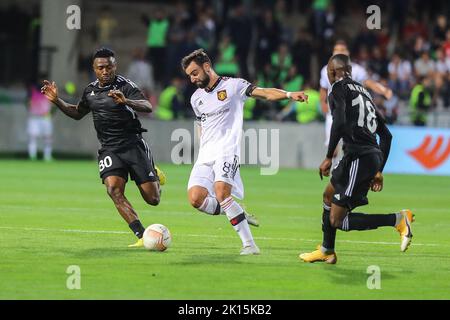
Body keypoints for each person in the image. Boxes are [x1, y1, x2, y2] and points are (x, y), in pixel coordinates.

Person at [181, 49, 308, 255]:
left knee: (222, 193)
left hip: (227, 150)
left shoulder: (234, 86)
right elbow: (201, 125)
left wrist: (289, 95)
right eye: (189, 75)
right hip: (206, 155)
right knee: (196, 199)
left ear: (207, 66)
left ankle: (250, 245)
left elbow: (265, 93)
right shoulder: (196, 98)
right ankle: (237, 211)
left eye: (195, 73)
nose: (193, 78)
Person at [40, 48, 166, 247]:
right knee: (113, 190)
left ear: (115, 66)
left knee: (153, 199)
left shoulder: (125, 86)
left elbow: (148, 106)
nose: (105, 71)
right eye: (101, 68)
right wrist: (57, 101)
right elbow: (77, 113)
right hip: (109, 149)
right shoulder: (89, 91)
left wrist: (127, 101)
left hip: (133, 145)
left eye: (109, 67)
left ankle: (154, 173)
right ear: (94, 69)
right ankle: (142, 236)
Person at [299, 54, 414, 264]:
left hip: (360, 158)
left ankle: (398, 219)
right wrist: (379, 169)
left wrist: (328, 156)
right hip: (359, 156)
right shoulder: (365, 94)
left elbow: (340, 121)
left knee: (337, 220)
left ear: (332, 73)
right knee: (328, 196)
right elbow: (386, 135)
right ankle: (327, 250)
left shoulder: (337, 90)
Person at [319, 41, 393, 162]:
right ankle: (339, 174)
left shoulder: (357, 70)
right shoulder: (325, 70)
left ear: (347, 52)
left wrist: (384, 90)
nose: (339, 52)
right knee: (333, 151)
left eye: (342, 50)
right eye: (336, 50)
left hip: (353, 115)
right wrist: (322, 103)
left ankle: (346, 175)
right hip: (334, 113)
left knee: (350, 148)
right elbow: (323, 88)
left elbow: (368, 82)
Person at [27, 80, 54, 161]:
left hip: (45, 118)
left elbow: (52, 105)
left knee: (48, 137)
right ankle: (32, 156)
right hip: (34, 118)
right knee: (33, 137)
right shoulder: (33, 92)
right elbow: (29, 103)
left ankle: (47, 156)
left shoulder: (48, 94)